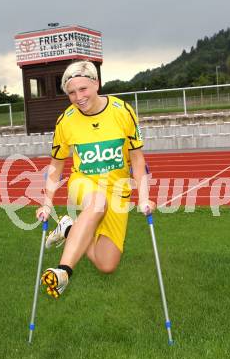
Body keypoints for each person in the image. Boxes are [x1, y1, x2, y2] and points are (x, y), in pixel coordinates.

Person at [36, 60, 156, 299]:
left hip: (119, 190)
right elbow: (56, 165)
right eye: (71, 92)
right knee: (97, 203)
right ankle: (63, 272)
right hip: (84, 183)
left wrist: (145, 198)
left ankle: (69, 228)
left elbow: (138, 160)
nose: (78, 97)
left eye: (83, 89)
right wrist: (47, 201)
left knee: (106, 264)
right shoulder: (65, 121)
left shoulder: (123, 111)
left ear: (96, 84)